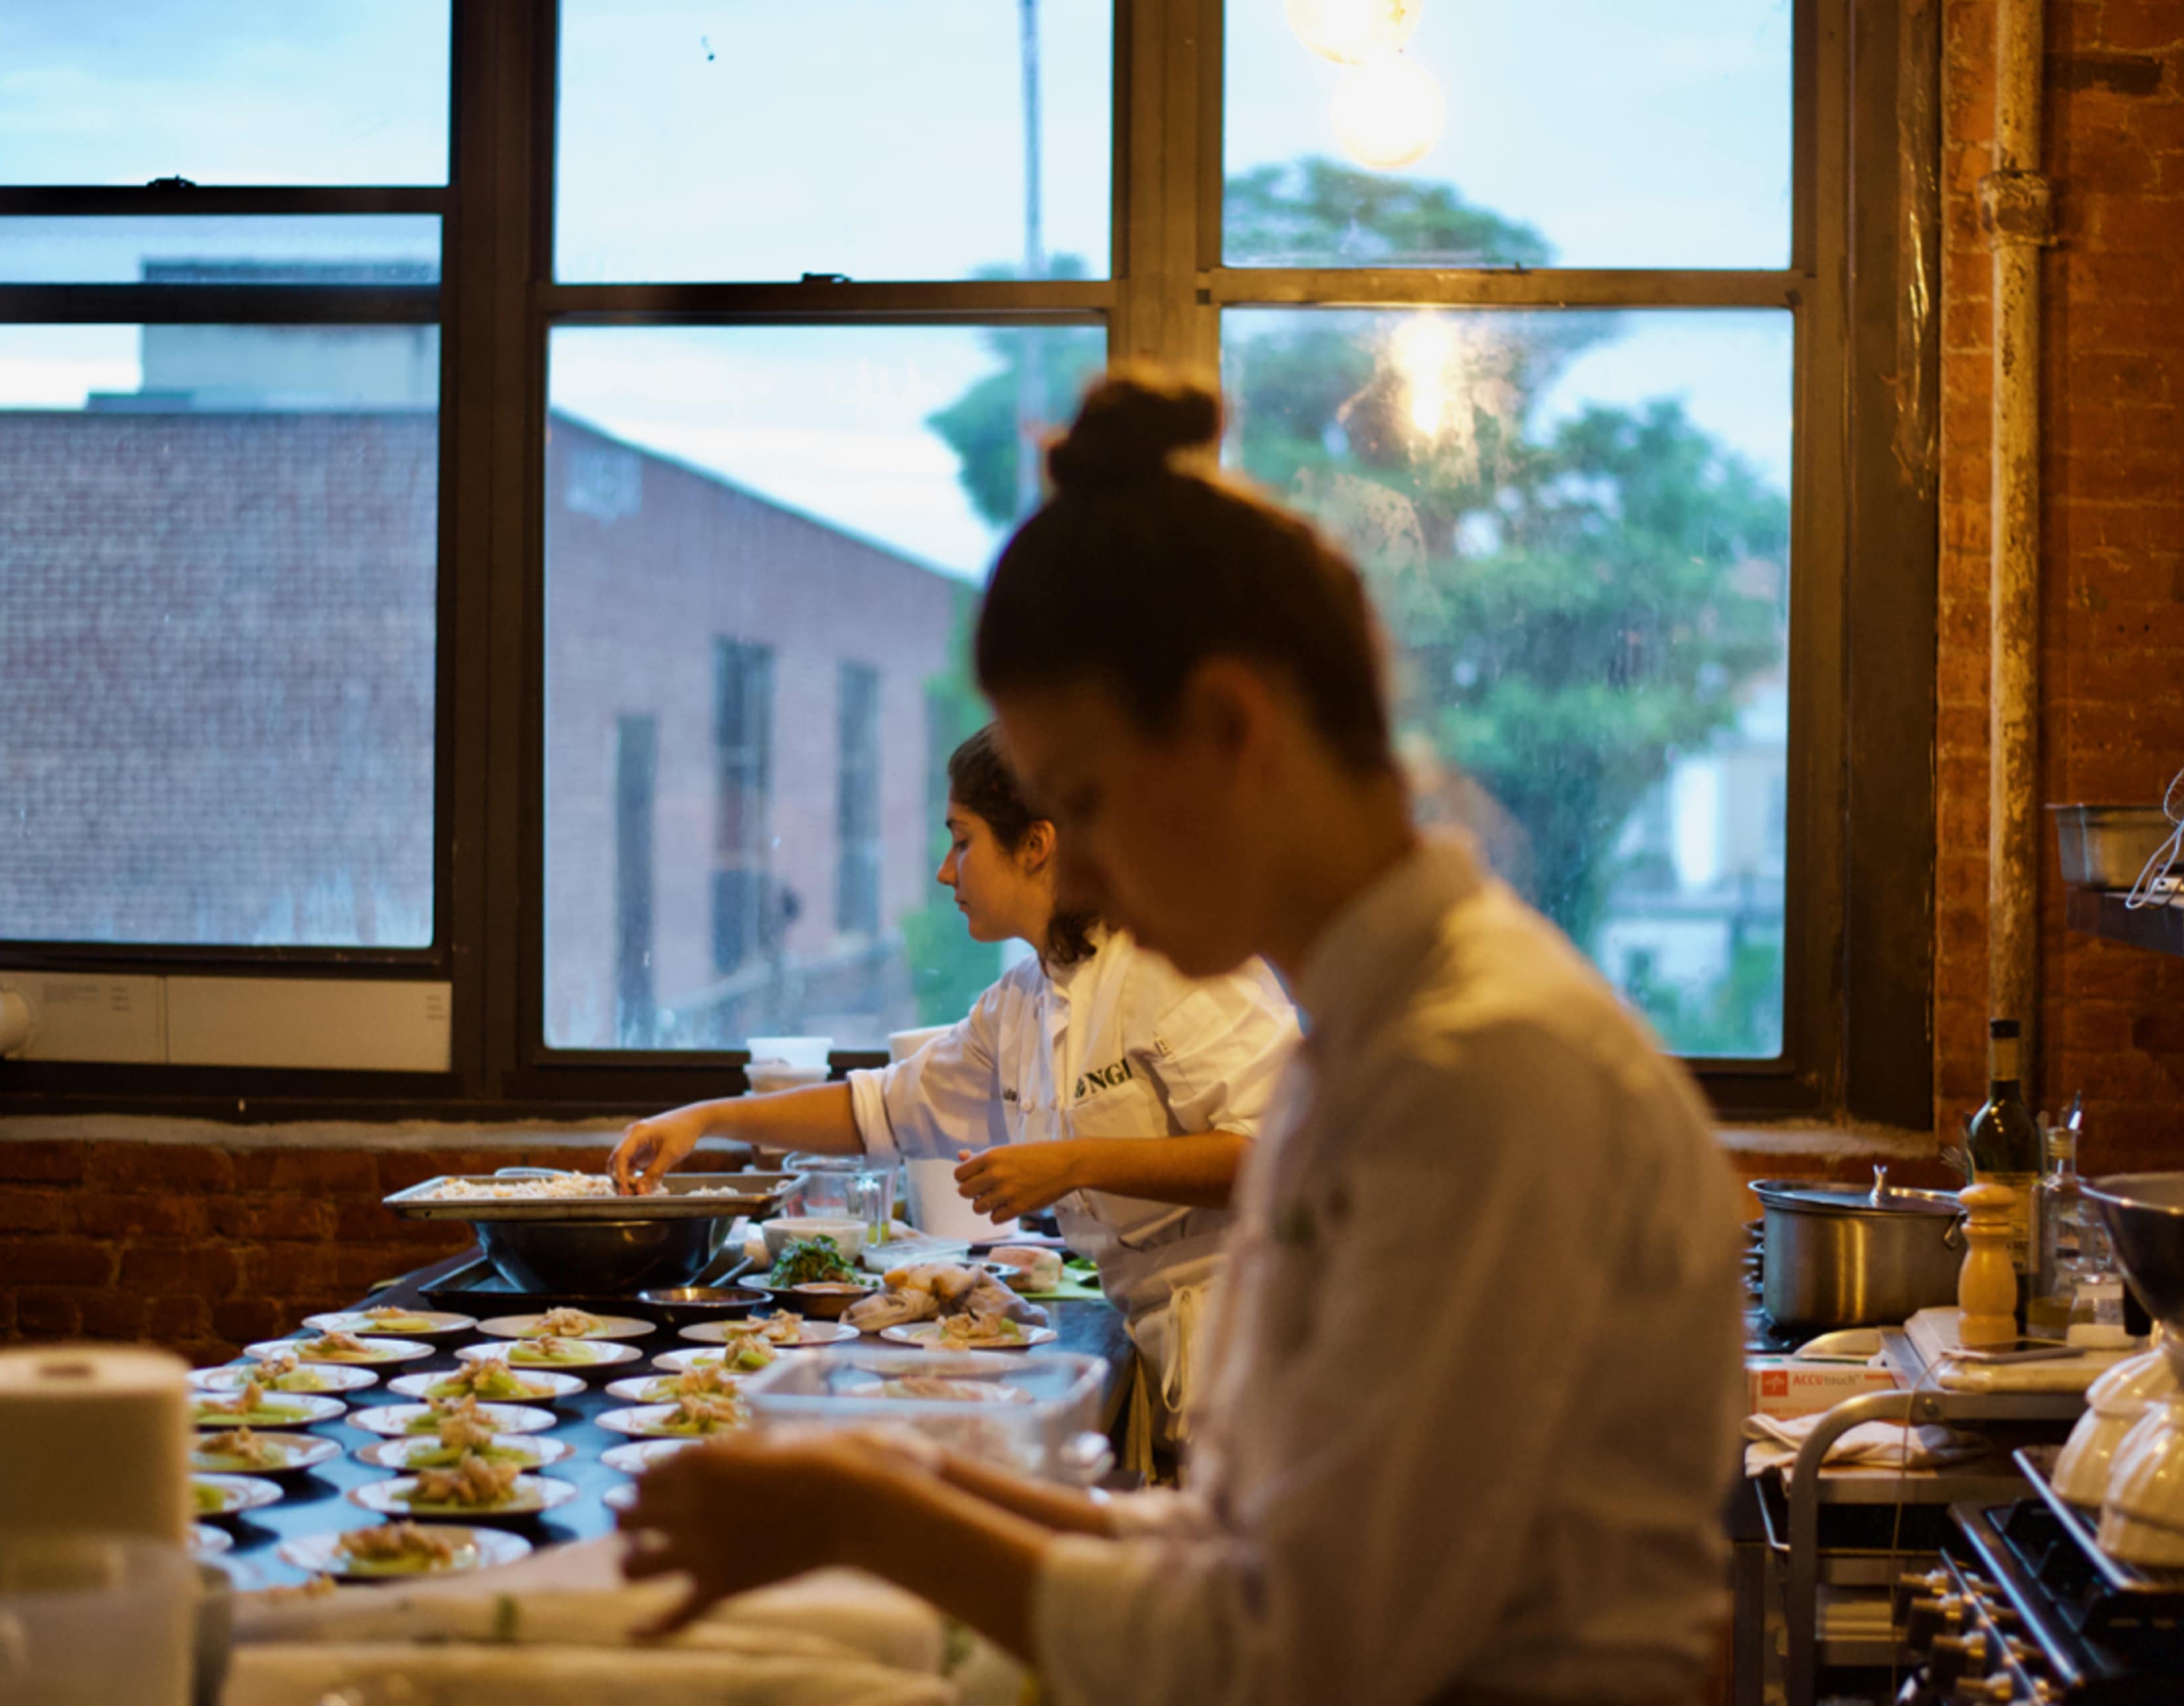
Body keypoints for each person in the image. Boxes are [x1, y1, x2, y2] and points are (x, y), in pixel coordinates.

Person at [619, 368, 1745, 1705]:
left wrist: (873, 1520)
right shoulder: (1361, 1047)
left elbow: (1299, 1654)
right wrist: (891, 1470)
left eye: (1087, 799)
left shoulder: (1480, 1072)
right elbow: (1241, 1554)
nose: (1080, 871)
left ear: (1228, 727)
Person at [609, 723, 1301, 1441]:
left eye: (962, 841)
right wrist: (707, 1118)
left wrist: (1073, 1163)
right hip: (1169, 1344)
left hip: (1267, 1340)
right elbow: (881, 1109)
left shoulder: (1174, 961)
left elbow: (1286, 1153)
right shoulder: (1021, 1002)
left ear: (1036, 845)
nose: (946, 872)